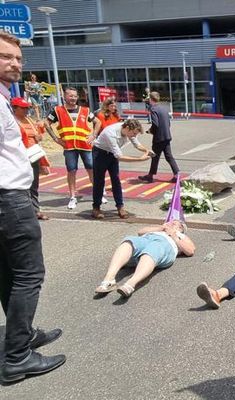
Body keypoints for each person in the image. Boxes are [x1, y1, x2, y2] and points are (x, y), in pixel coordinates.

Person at [0, 31, 66, 384]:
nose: (14, 63)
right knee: (28, 275)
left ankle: (20, 338)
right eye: (5, 56)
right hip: (8, 199)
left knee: (8, 274)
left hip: (7, 196)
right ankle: (17, 358)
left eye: (18, 58)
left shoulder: (4, 97)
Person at [95, 220, 195, 297]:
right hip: (146, 239)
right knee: (129, 241)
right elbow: (140, 232)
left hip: (164, 244)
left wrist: (173, 234)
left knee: (154, 249)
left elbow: (190, 250)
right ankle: (109, 280)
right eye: (171, 221)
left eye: (176, 224)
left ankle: (130, 284)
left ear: (181, 229)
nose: (172, 223)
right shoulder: (160, 229)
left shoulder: (181, 235)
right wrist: (161, 228)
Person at [44, 86, 102, 210]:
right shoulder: (58, 110)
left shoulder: (85, 110)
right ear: (65, 96)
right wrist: (56, 139)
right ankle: (72, 197)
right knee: (71, 171)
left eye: (75, 96)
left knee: (91, 169)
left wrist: (93, 135)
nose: (73, 98)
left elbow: (98, 122)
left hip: (85, 145)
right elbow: (46, 123)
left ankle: (98, 193)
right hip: (69, 146)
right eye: (70, 96)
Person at [89, 119, 152, 220]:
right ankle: (96, 208)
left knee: (116, 180)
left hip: (112, 154)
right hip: (100, 153)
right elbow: (119, 156)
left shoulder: (129, 131)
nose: (134, 136)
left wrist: (146, 150)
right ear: (127, 128)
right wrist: (139, 159)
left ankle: (120, 207)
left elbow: (137, 144)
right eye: (134, 133)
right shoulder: (111, 133)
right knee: (99, 181)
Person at [12, 97, 51, 220]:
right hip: (18, 158)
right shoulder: (12, 121)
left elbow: (39, 134)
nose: (26, 110)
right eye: (23, 108)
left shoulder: (29, 120)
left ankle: (35, 210)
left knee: (33, 184)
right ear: (14, 108)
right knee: (21, 186)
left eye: (27, 108)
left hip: (33, 156)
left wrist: (38, 137)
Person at [138, 91, 180, 184]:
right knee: (169, 156)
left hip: (159, 138)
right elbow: (168, 123)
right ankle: (177, 175)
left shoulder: (153, 109)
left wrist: (150, 131)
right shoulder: (164, 108)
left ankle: (150, 176)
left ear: (151, 99)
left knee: (154, 156)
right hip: (167, 136)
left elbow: (155, 124)